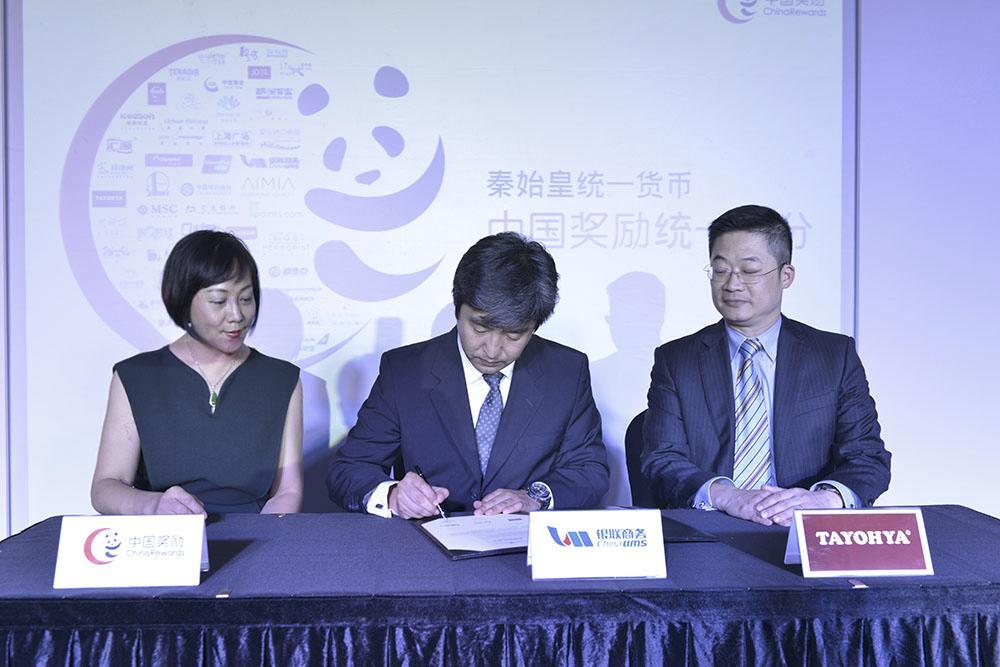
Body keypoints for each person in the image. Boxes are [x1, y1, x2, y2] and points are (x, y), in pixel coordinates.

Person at [327, 232, 609, 519]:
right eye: (480, 328)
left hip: (525, 540)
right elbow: (349, 468)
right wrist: (394, 495)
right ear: (457, 309)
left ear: (534, 326)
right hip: (426, 539)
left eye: (514, 335)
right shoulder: (404, 371)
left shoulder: (566, 372)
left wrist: (533, 497)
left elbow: (589, 469)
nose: (492, 350)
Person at [641, 205, 890, 526]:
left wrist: (822, 500)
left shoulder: (834, 356)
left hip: (807, 528)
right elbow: (662, 459)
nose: (732, 284)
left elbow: (867, 457)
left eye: (749, 270)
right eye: (720, 270)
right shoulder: (677, 360)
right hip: (714, 527)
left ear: (786, 276)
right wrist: (729, 497)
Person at [91, 231, 303, 514]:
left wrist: (262, 537)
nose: (236, 315)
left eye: (245, 298)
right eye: (218, 301)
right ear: (183, 299)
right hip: (164, 532)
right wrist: (153, 506)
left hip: (257, 531)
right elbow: (106, 486)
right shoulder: (136, 376)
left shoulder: (281, 379)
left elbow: (287, 491)